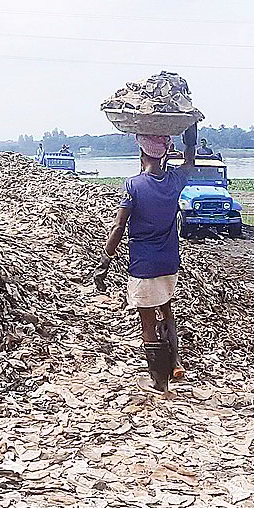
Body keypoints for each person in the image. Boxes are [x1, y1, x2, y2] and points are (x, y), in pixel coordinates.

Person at [97, 123, 198, 391]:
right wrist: (191, 133)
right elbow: (189, 158)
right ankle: (175, 363)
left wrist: (105, 259)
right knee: (166, 309)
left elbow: (119, 226)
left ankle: (159, 381)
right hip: (169, 262)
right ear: (163, 152)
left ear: (142, 152)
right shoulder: (175, 181)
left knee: (148, 322)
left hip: (145, 264)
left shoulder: (134, 185)